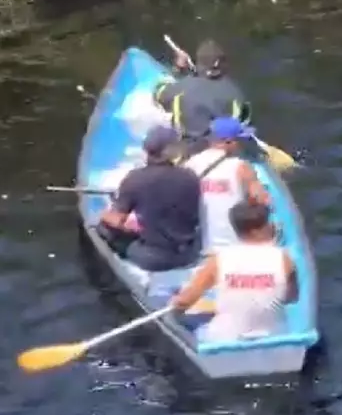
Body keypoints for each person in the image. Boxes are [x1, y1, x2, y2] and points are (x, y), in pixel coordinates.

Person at [169, 201, 299, 342]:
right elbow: (291, 298)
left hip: (225, 339)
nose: (273, 227)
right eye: (268, 224)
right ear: (255, 231)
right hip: (272, 336)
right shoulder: (285, 259)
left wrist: (175, 306)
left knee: (187, 319)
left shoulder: (217, 261)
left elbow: (186, 301)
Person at [97, 125, 201, 272]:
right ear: (170, 151)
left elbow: (116, 220)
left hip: (154, 258)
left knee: (104, 227)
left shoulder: (135, 179)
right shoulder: (190, 176)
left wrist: (104, 214)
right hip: (189, 254)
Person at [181, 116, 271, 250]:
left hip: (200, 247)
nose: (241, 144)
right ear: (229, 142)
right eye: (239, 139)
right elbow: (264, 201)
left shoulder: (189, 165)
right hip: (235, 246)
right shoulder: (241, 167)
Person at [155, 39, 253, 159]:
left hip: (187, 152)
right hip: (222, 154)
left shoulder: (181, 88)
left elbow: (159, 94)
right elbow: (244, 122)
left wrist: (178, 69)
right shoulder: (236, 94)